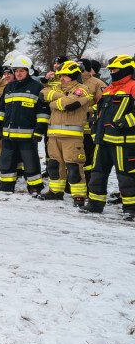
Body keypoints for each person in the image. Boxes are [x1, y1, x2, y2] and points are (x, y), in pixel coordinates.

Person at [83, 55, 135, 221]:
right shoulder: (109, 87)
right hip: (102, 140)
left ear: (127, 70)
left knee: (126, 176)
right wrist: (93, 122)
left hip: (123, 143)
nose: (112, 72)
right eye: (111, 69)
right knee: (97, 173)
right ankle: (95, 204)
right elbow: (98, 109)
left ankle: (131, 209)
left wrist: (121, 123)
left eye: (115, 69)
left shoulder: (133, 86)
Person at [0, 55, 47, 195]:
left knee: (31, 163)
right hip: (9, 134)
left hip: (28, 135)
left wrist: (39, 131)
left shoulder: (37, 87)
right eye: (16, 71)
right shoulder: (9, 87)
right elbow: (1, 109)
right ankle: (6, 186)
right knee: (7, 161)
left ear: (28, 71)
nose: (19, 73)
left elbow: (42, 113)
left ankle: (35, 187)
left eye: (22, 70)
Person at [40, 61, 92, 206]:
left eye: (66, 76)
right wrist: (58, 97)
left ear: (74, 76)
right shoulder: (57, 87)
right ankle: (56, 192)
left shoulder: (83, 89)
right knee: (54, 166)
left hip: (72, 138)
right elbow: (43, 94)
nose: (62, 78)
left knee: (74, 167)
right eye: (61, 75)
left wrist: (53, 101)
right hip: (54, 136)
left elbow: (68, 104)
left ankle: (79, 196)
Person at [78, 58, 106, 176]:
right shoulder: (72, 82)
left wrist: (87, 110)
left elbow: (103, 105)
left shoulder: (98, 84)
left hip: (89, 130)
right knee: (73, 159)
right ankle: (72, 183)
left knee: (88, 160)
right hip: (73, 130)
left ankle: (89, 183)